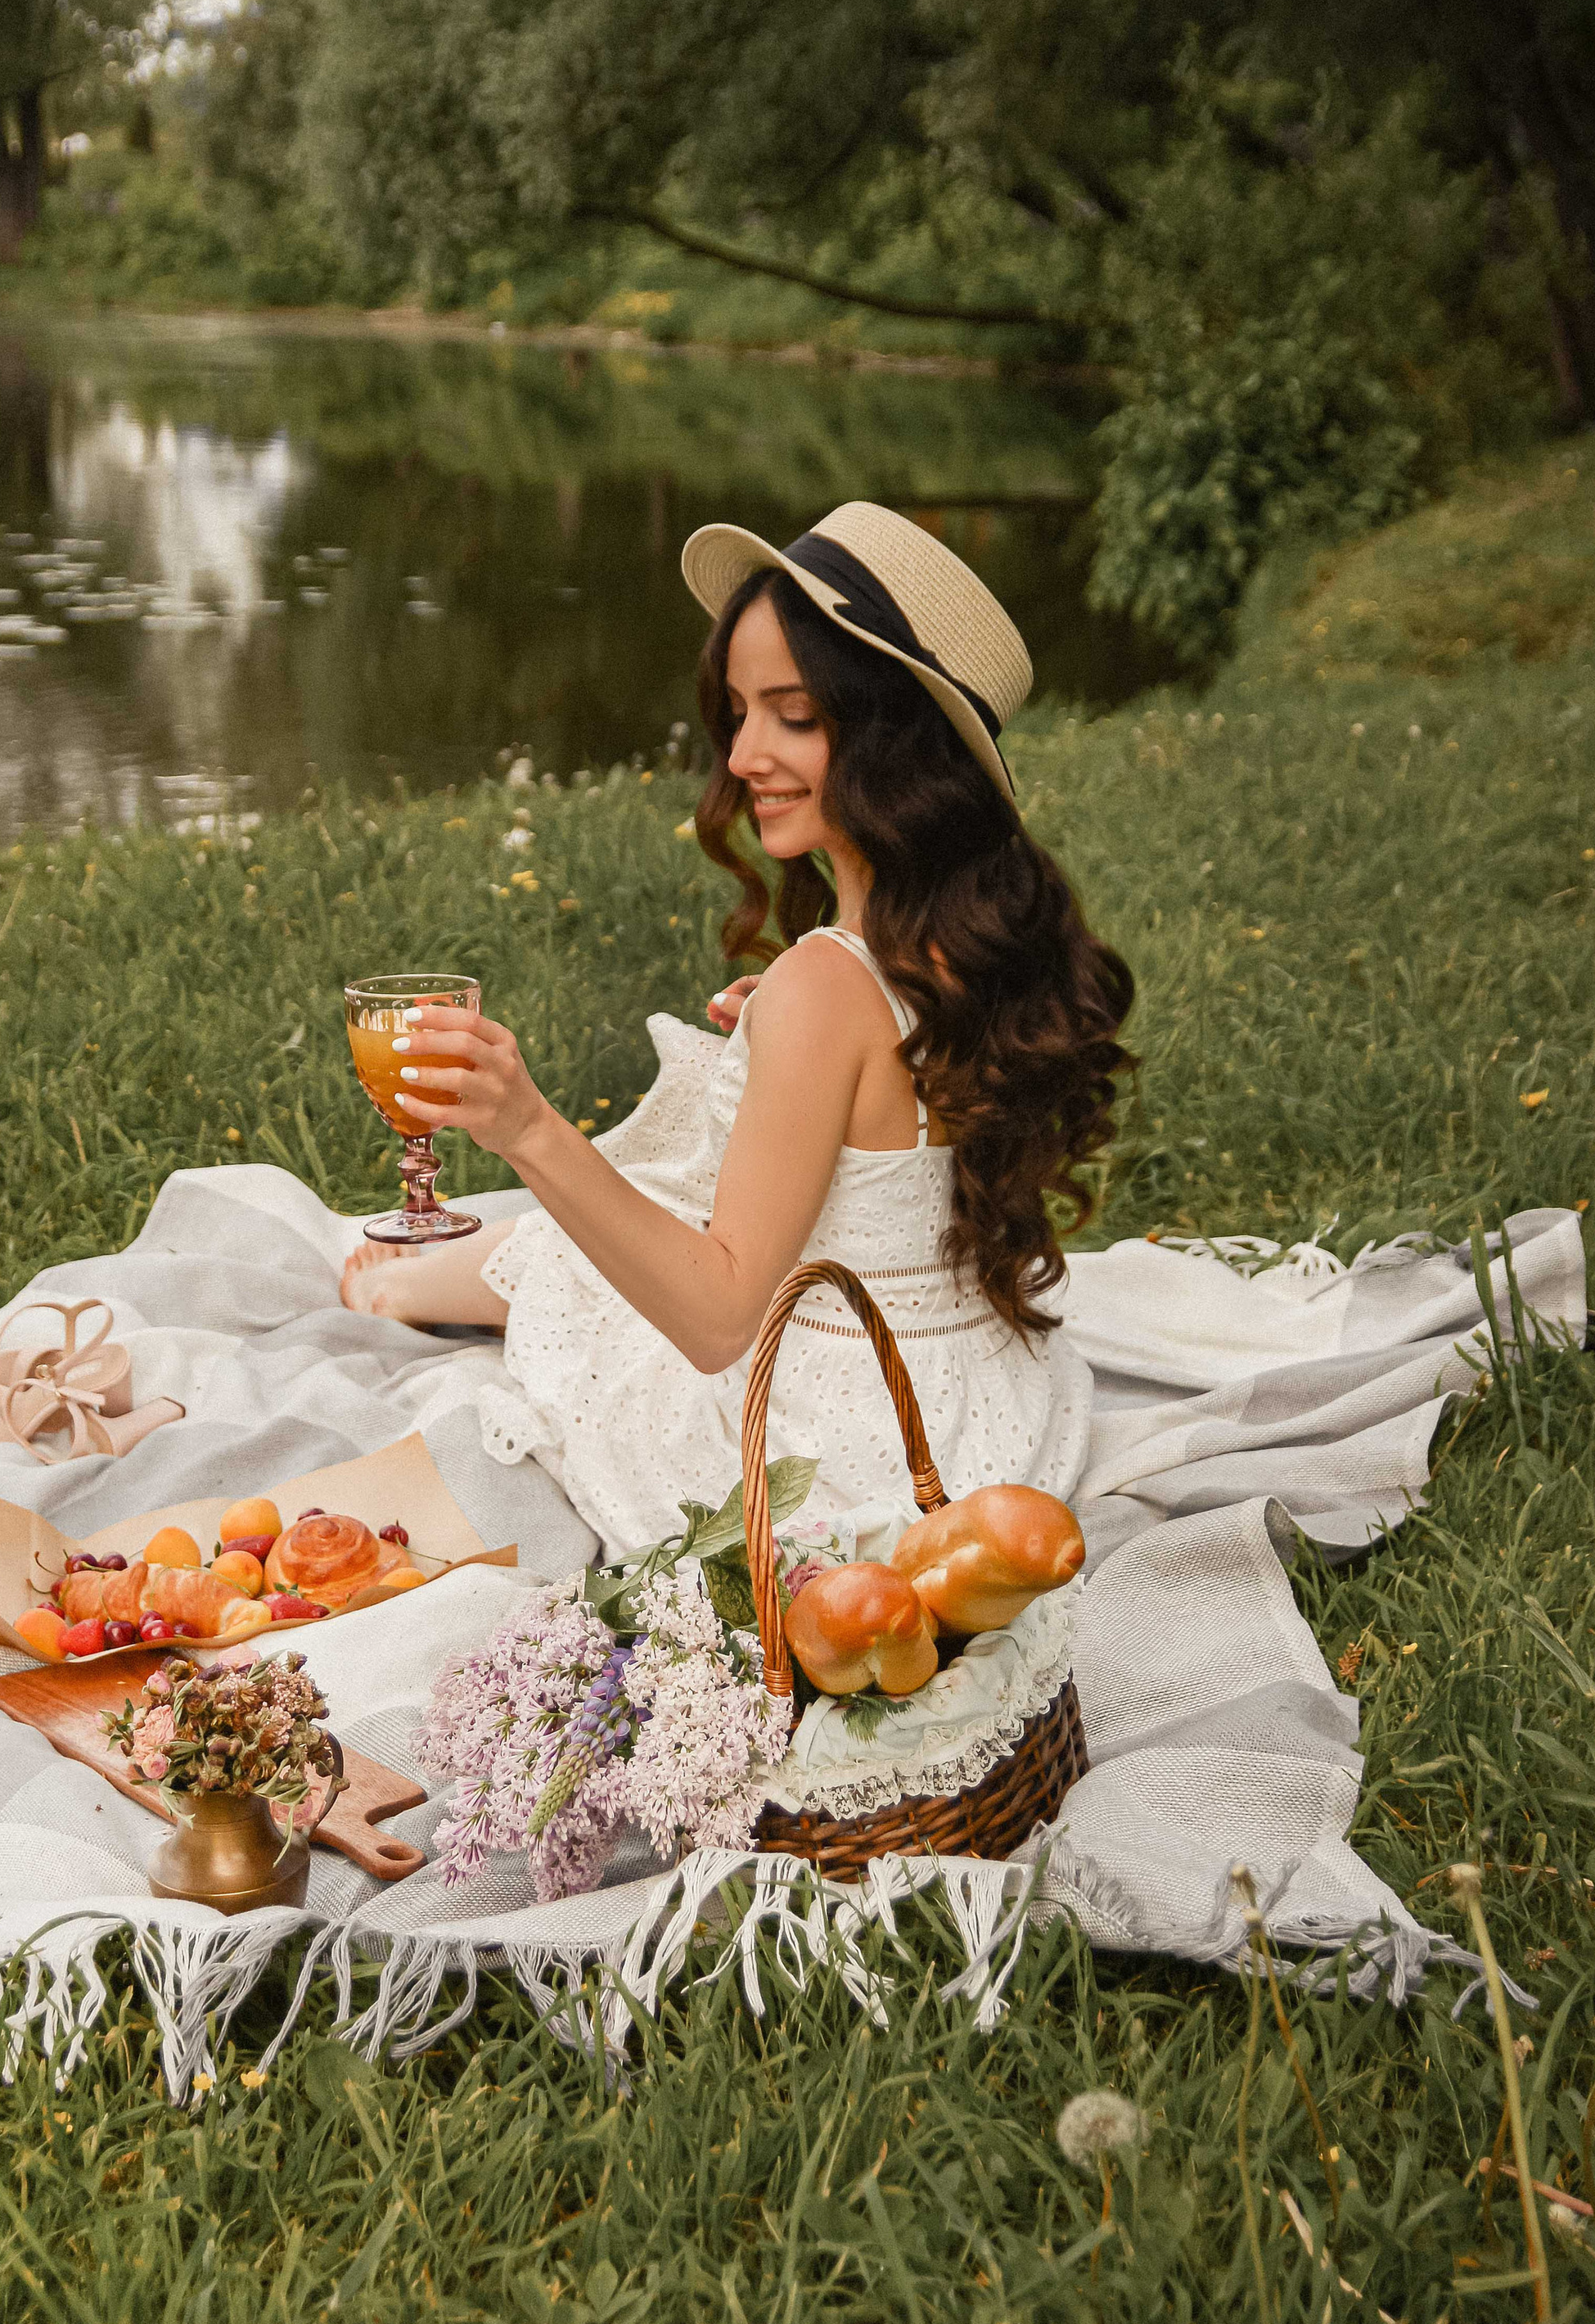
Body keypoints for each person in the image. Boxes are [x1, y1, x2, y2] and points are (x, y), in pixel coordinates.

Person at [340, 502, 1136, 1555]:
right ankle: (406, 1274)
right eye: (740, 711)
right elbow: (889, 1125)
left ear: (894, 738)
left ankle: (389, 1283)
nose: (745, 753)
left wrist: (527, 1127)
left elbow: (720, 1323)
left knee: (542, 1277)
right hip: (968, 1402)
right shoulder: (964, 938)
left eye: (793, 715)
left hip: (838, 1443)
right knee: (579, 1237)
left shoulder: (826, 987)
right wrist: (788, 1040)